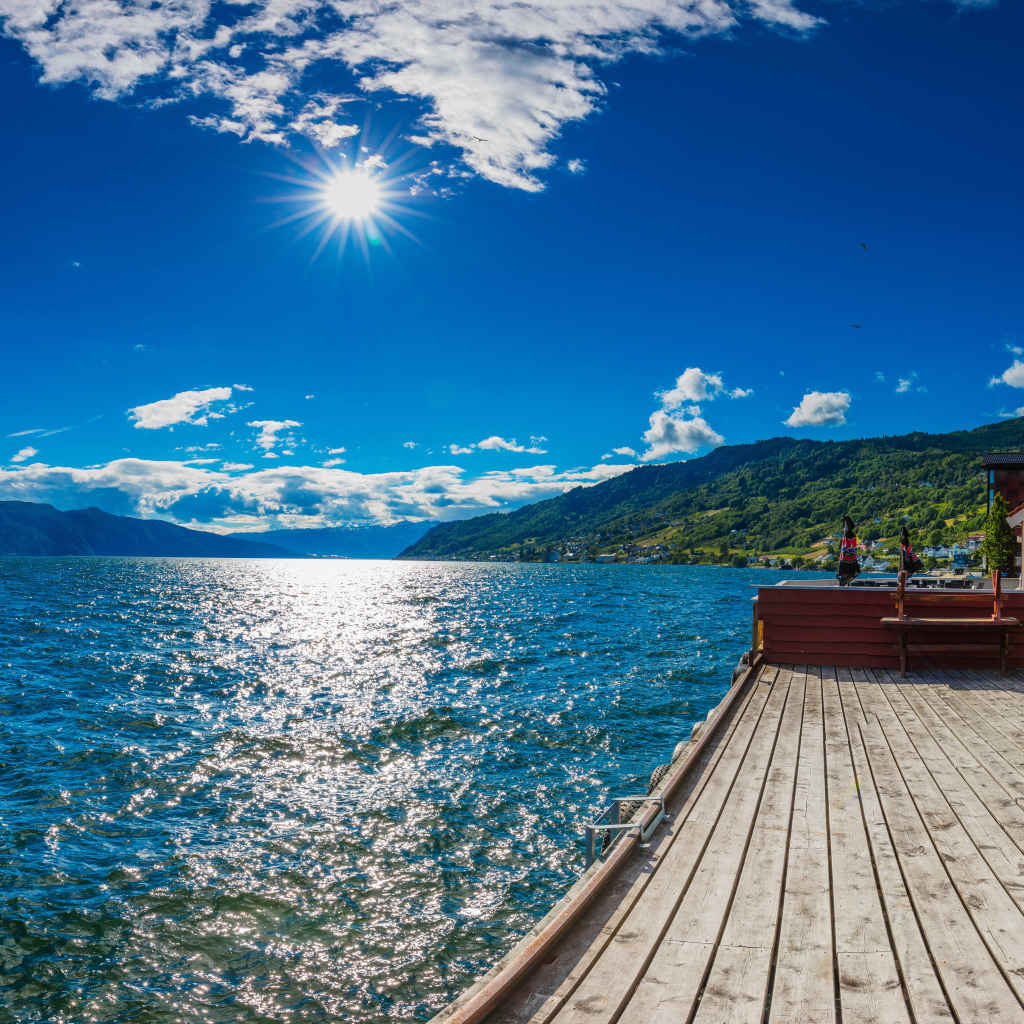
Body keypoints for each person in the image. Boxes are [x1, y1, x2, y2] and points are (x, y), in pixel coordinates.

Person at [837, 516, 860, 586]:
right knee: (848, 572)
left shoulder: (847, 536)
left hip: (846, 557)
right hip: (850, 557)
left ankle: (844, 582)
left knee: (845, 570)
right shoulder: (852, 536)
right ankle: (846, 582)